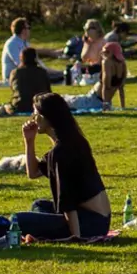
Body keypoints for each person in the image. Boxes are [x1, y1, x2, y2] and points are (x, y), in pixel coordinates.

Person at [15, 93, 115, 241]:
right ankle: (51, 233)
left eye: (35, 114)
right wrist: (29, 142)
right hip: (100, 220)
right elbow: (34, 173)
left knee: (15, 221)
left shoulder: (61, 152)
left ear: (46, 117)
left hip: (89, 223)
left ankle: (63, 234)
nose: (32, 118)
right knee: (38, 205)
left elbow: (68, 201)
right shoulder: (73, 141)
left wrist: (76, 238)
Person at [1, 18, 65, 85]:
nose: (29, 31)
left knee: (60, 76)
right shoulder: (12, 44)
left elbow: (37, 62)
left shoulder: (25, 43)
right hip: (14, 77)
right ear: (23, 30)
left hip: (27, 74)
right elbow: (21, 64)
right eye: (28, 28)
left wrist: (57, 72)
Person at [12, 47, 61, 113]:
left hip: (20, 105)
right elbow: (48, 90)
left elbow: (14, 89)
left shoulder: (16, 73)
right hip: (41, 105)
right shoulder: (42, 72)